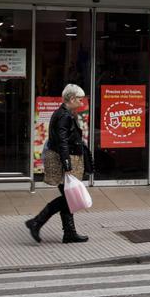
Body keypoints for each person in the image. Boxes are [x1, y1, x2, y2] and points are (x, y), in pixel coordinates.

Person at [24, 84, 93, 244]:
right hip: (65, 161)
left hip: (65, 159)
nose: (82, 103)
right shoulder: (64, 115)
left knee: (68, 197)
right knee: (69, 198)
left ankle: (69, 233)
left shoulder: (64, 113)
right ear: (72, 98)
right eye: (80, 99)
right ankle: (37, 222)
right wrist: (67, 164)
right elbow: (62, 142)